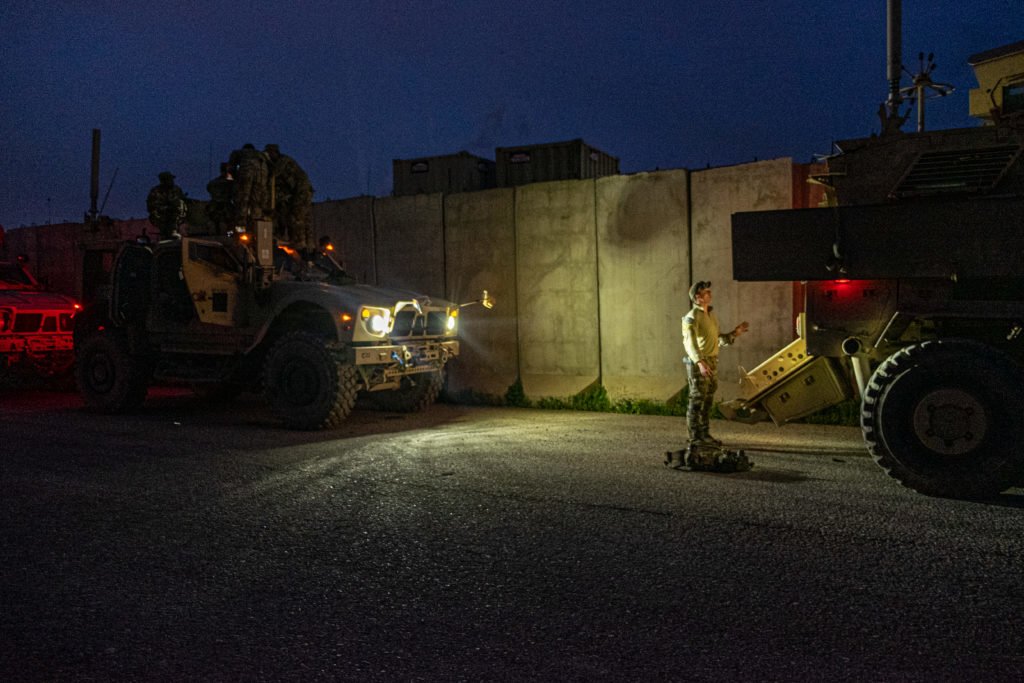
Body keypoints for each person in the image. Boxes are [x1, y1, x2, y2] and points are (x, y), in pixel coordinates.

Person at [681, 280, 749, 446]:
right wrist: (700, 362)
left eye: (709, 291)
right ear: (697, 297)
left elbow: (718, 340)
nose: (710, 294)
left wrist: (735, 333)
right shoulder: (692, 317)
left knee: (707, 400)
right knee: (697, 399)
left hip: (712, 361)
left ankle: (704, 434)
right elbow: (689, 342)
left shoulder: (711, 315)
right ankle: (695, 437)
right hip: (700, 363)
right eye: (706, 292)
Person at [265, 144, 314, 249]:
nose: (269, 156)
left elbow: (273, 173)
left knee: (296, 215)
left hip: (301, 191)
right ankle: (307, 244)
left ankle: (299, 242)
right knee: (304, 218)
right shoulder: (284, 162)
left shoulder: (283, 160)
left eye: (269, 153)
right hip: (302, 192)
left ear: (275, 152)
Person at [229, 144, 269, 227]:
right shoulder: (260, 154)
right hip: (261, 175)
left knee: (243, 197)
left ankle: (241, 221)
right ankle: (256, 221)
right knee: (256, 199)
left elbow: (231, 167)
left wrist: (235, 177)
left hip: (246, 173)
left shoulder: (238, 152)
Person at [146, 171, 188, 240]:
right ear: (163, 180)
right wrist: (166, 208)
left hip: (176, 215)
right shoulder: (156, 191)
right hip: (161, 216)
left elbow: (182, 200)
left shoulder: (176, 189)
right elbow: (151, 206)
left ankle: (174, 231)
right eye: (169, 179)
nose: (171, 181)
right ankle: (166, 234)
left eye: (171, 179)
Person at [206, 162, 235, 234]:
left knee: (213, 223)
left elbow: (209, 189)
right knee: (224, 224)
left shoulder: (213, 182)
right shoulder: (230, 183)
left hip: (213, 206)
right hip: (225, 207)